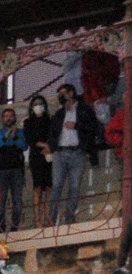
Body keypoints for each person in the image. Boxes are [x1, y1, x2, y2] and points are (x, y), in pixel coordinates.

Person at [48, 83, 102, 226]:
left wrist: (76, 125)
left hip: (78, 152)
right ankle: (51, 219)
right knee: (56, 186)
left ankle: (70, 217)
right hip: (60, 152)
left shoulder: (84, 109)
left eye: (63, 93)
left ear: (71, 93)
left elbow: (94, 127)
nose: (61, 96)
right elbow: (52, 133)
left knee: (74, 186)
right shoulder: (59, 114)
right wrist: (52, 147)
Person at [24, 95, 54, 228]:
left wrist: (49, 147)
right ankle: (37, 219)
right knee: (37, 187)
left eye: (40, 103)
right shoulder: (28, 122)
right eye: (35, 104)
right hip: (36, 156)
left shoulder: (50, 120)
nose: (38, 106)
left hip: (49, 154)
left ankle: (48, 217)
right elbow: (29, 140)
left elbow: (54, 135)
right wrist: (43, 145)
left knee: (49, 187)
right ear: (32, 107)